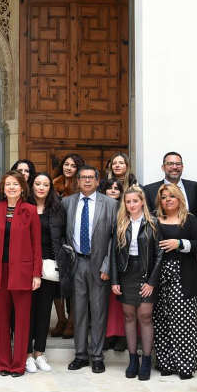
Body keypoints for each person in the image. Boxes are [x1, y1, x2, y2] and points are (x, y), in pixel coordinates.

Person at [0, 172, 41, 377]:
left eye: (15, 184)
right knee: (0, 321)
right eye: (8, 184)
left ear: (22, 187)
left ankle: (18, 365)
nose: (12, 187)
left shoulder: (30, 210)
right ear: (3, 188)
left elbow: (36, 245)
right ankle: (3, 364)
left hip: (23, 272)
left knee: (22, 321)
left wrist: (36, 274)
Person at [62, 164, 116, 373]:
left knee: (99, 311)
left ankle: (97, 356)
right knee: (79, 311)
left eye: (90, 177)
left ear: (97, 180)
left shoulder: (110, 204)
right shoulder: (67, 202)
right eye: (82, 177)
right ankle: (81, 355)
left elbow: (114, 238)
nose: (86, 181)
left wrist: (107, 266)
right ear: (77, 181)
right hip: (77, 263)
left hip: (99, 264)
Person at [152, 184, 197, 379]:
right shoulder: (154, 220)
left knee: (183, 322)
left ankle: (185, 366)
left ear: (179, 198)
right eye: (164, 197)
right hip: (158, 276)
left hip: (183, 276)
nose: (167, 200)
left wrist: (180, 244)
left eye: (171, 196)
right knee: (161, 320)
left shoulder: (190, 220)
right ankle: (166, 364)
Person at [109, 185, 161, 381]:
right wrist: (114, 280)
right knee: (129, 315)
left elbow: (159, 255)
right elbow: (113, 254)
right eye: (128, 201)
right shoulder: (121, 223)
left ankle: (146, 359)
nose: (132, 205)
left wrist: (151, 282)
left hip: (146, 272)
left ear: (142, 202)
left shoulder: (153, 223)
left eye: (135, 201)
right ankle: (133, 359)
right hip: (126, 272)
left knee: (145, 315)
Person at [25, 173, 64, 374]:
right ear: (31, 186)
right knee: (26, 312)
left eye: (45, 184)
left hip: (48, 266)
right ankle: (27, 354)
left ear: (50, 188)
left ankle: (40, 352)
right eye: (37, 184)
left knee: (43, 311)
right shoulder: (24, 206)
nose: (41, 187)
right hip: (26, 265)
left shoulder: (57, 209)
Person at [51, 153, 84, 339]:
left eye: (72, 165)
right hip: (57, 236)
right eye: (66, 164)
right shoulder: (54, 183)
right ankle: (61, 319)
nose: (68, 167)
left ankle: (72, 321)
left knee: (73, 284)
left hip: (75, 237)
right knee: (57, 281)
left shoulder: (82, 186)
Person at [99, 177, 126, 353]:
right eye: (110, 188)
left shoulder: (124, 209)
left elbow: (114, 241)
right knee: (105, 303)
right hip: (100, 261)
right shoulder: (102, 208)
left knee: (120, 302)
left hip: (120, 262)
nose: (114, 190)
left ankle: (122, 337)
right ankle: (108, 335)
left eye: (117, 188)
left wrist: (108, 265)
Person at [143, 152, 197, 218]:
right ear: (163, 167)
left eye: (178, 164)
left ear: (182, 167)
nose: (174, 167)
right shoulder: (149, 190)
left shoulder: (194, 187)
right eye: (170, 164)